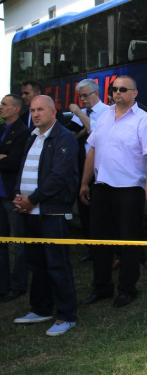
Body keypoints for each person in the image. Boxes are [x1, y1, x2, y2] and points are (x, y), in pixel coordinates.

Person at [79, 76, 147, 309]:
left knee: (129, 242)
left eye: (123, 89)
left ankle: (127, 289)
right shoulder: (104, 116)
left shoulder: (143, 120)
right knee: (99, 241)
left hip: (129, 190)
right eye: (114, 89)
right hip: (102, 187)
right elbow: (93, 150)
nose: (117, 93)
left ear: (134, 93)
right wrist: (85, 182)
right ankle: (102, 287)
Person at [13, 95, 79, 337]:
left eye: (40, 109)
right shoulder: (33, 137)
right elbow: (24, 169)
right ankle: (40, 309)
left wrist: (32, 199)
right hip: (29, 212)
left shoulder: (65, 138)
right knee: (37, 263)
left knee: (57, 264)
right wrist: (18, 197)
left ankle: (66, 315)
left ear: (53, 112)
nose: (35, 114)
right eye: (32, 111)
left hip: (52, 212)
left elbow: (58, 178)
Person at [68, 79, 109, 263]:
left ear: (96, 93)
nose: (82, 100)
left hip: (100, 170)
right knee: (84, 212)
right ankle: (91, 248)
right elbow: (72, 136)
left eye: (85, 95)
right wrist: (83, 129)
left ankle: (105, 249)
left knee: (100, 213)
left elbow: (96, 130)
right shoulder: (82, 114)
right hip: (81, 167)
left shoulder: (107, 111)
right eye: (80, 96)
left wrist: (78, 112)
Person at [0, 94, 31, 303]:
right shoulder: (1, 130)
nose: (0, 107)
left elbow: (12, 163)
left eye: (4, 104)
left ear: (16, 109)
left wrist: (5, 157)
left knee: (19, 241)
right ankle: (2, 285)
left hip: (12, 195)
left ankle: (18, 285)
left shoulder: (22, 132)